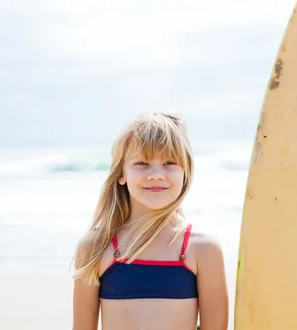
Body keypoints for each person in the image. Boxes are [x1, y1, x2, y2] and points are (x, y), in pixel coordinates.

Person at [72, 111, 228, 330]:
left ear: (185, 172)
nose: (156, 174)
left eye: (170, 163)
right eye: (142, 163)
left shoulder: (203, 249)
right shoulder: (96, 247)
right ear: (121, 174)